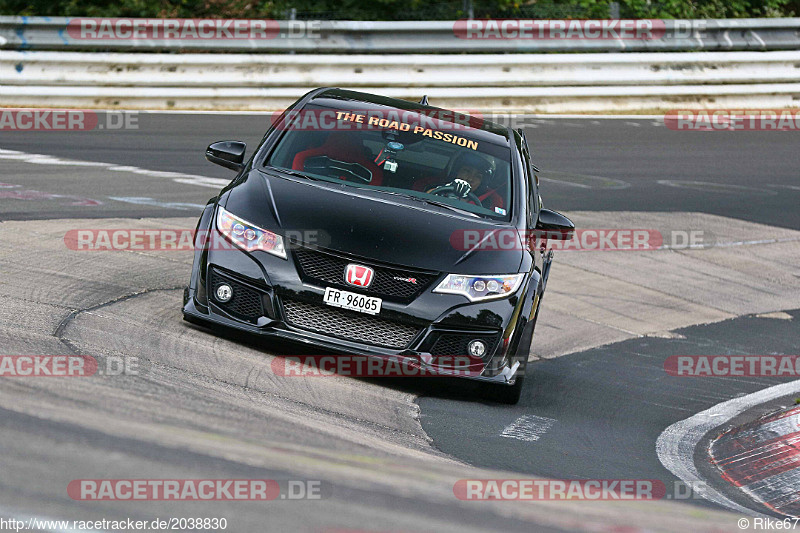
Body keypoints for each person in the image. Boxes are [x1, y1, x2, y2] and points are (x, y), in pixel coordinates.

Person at [426, 152, 503, 210]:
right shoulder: (435, 188)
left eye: (478, 176)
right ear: (455, 172)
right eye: (466, 171)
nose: (470, 179)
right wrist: (444, 190)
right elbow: (423, 202)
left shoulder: (488, 203)